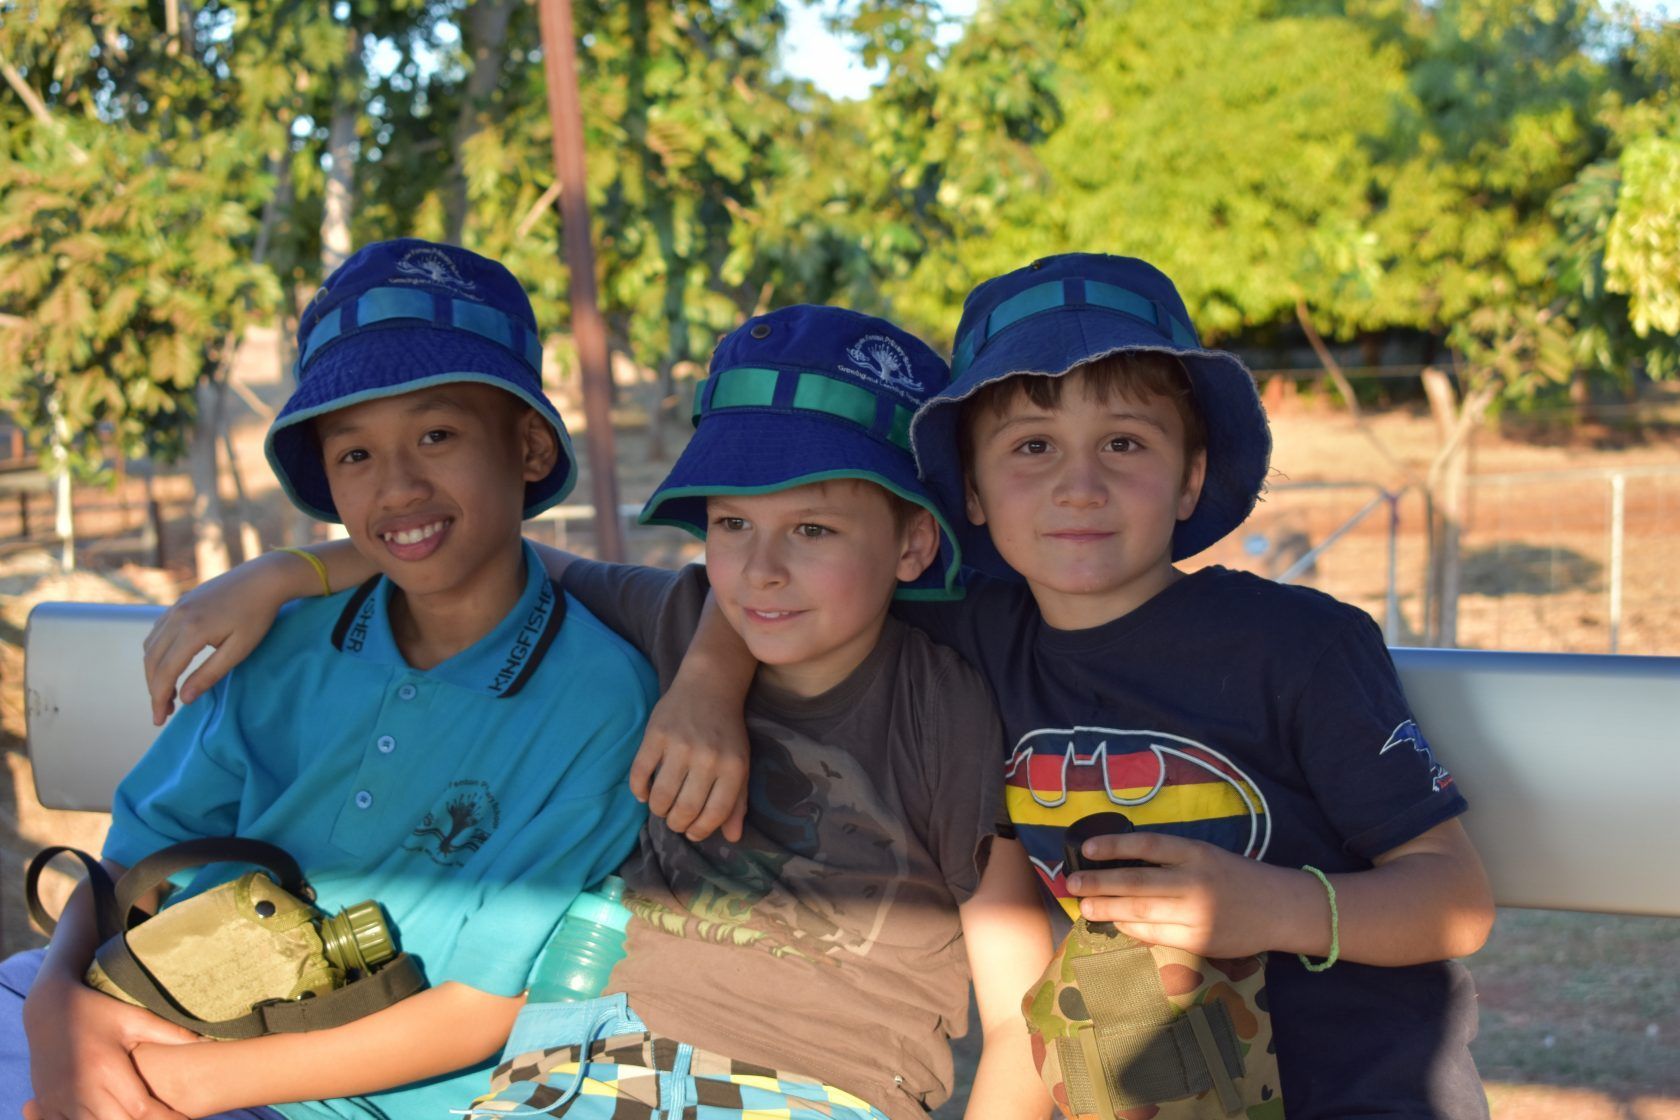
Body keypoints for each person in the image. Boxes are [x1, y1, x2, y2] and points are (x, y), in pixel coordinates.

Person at [628, 254, 1498, 1116]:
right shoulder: (970, 636)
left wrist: (1271, 907)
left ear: (1191, 474)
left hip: (1368, 1095)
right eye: (1032, 447)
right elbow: (771, 584)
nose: (1079, 488)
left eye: (1124, 443)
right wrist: (708, 678)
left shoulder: (1300, 643)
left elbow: (1455, 902)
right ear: (968, 490)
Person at [139, 305, 1054, 1120]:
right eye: (731, 525)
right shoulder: (675, 619)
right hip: (577, 1063)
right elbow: (470, 546)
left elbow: (1021, 1016)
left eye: (812, 530)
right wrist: (281, 573)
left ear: (914, 541)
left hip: (807, 1084)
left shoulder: (947, 708)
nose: (763, 569)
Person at [3, 239, 656, 1120]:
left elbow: (480, 1007)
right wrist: (57, 1011)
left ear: (530, 445)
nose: (397, 488)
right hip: (147, 1008)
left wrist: (178, 1085)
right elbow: (133, 856)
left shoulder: (597, 699)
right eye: (354, 455)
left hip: (345, 1095)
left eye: (437, 434)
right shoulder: (285, 643)